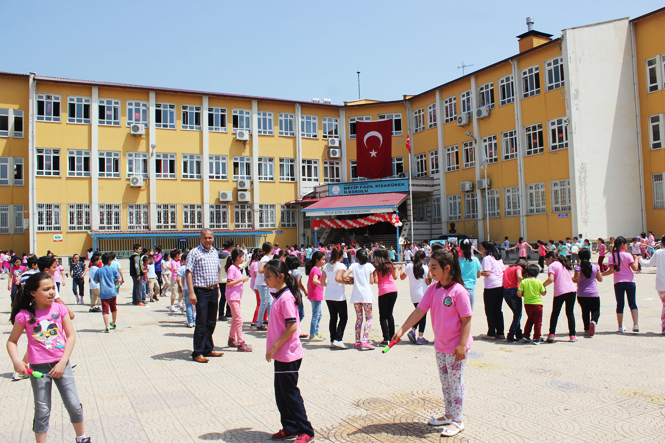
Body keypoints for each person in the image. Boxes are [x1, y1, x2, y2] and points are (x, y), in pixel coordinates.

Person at [392, 249, 472, 438]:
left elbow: (467, 320)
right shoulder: (433, 289)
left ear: (447, 268)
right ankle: (449, 414)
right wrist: (402, 329)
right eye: (430, 267)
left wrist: (461, 345)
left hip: (456, 349)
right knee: (446, 384)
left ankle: (458, 421)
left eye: (434, 267)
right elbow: (419, 312)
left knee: (456, 384)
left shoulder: (459, 292)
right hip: (440, 347)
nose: (430, 272)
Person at [7, 273, 91, 443]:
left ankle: (81, 438)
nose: (52, 292)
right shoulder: (24, 315)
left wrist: (62, 362)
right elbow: (12, 341)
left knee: (73, 404)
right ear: (32, 293)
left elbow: (71, 336)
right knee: (43, 409)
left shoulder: (60, 309)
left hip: (61, 364)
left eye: (53, 288)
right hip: (38, 368)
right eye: (46, 289)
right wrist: (17, 360)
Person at [263, 260, 315, 443]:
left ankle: (305, 430)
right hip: (281, 355)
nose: (265, 279)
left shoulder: (285, 298)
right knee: (281, 393)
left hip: (289, 354)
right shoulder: (279, 295)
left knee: (290, 394)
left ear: (281, 276)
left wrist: (275, 346)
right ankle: (290, 426)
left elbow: (292, 326)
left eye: (268, 276)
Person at [186, 229, 224, 363]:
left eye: (210, 237)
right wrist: (191, 292)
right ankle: (198, 352)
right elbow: (188, 272)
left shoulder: (214, 251)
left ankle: (208, 348)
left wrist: (217, 286)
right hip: (201, 291)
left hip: (213, 290)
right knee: (201, 323)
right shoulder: (194, 253)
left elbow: (218, 268)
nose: (208, 240)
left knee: (211, 322)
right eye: (205, 237)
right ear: (200, 238)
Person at [603, 236, 639, 333]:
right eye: (627, 244)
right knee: (632, 303)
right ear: (623, 244)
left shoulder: (612, 256)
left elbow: (611, 270)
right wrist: (636, 259)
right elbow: (635, 268)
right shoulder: (628, 255)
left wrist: (601, 274)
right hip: (630, 281)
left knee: (620, 304)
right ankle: (635, 324)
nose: (627, 246)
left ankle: (620, 326)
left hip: (618, 282)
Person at [343, 249, 376, 350]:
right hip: (366, 295)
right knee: (369, 318)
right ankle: (365, 340)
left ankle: (357, 341)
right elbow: (372, 281)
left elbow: (344, 276)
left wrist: (351, 279)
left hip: (356, 295)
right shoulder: (370, 266)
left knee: (359, 318)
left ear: (356, 258)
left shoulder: (353, 266)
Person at [543, 251, 577, 342]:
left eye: (546, 260)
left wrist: (542, 285)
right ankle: (572, 335)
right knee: (570, 313)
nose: (546, 263)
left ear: (550, 258)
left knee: (555, 313)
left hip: (560, 291)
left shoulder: (552, 265)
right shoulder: (564, 263)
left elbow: (551, 279)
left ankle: (552, 334)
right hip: (571, 290)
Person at [225, 248, 252, 352]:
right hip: (233, 297)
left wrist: (242, 281)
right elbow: (229, 283)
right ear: (237, 257)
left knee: (235, 319)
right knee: (239, 319)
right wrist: (241, 279)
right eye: (242, 257)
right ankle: (241, 342)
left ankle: (231, 338)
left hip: (236, 296)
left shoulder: (236, 268)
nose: (243, 259)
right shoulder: (232, 268)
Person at [373, 248, 402, 346]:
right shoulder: (390, 263)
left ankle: (386, 339)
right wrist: (397, 269)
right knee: (390, 314)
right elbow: (395, 277)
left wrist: (373, 274)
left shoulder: (377, 266)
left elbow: (376, 280)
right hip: (393, 290)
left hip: (383, 291)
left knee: (383, 316)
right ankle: (392, 337)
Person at [322, 246, 350, 349]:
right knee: (343, 317)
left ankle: (332, 339)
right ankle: (338, 339)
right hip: (338, 295)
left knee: (333, 318)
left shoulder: (327, 266)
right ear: (342, 256)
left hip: (328, 294)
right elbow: (338, 278)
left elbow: (322, 282)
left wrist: (330, 285)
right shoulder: (341, 265)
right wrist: (348, 282)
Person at [400, 250, 430, 344]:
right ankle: (420, 336)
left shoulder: (409, 267)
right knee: (422, 315)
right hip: (423, 294)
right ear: (424, 259)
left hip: (413, 295)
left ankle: (413, 330)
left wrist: (402, 268)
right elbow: (428, 282)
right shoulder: (425, 268)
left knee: (418, 313)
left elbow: (402, 277)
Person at [572, 248, 602, 336]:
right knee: (596, 310)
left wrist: (569, 278)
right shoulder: (595, 267)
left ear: (579, 257)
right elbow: (600, 279)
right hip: (593, 292)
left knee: (585, 311)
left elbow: (576, 280)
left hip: (581, 293)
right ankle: (593, 321)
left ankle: (586, 328)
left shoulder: (578, 268)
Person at [639, 235, 665, 335]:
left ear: (661, 243)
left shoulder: (658, 253)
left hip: (660, 284)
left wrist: (640, 259)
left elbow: (648, 264)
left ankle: (664, 327)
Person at [480, 242, 505, 340]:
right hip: (500, 285)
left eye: (482, 248)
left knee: (490, 310)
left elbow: (487, 273)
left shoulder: (487, 258)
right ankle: (500, 332)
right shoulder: (499, 258)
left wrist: (477, 272)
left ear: (486, 249)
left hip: (491, 286)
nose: (481, 250)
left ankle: (491, 333)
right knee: (498, 310)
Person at [517, 264, 547, 344]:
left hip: (527, 304)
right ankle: (537, 338)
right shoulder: (538, 282)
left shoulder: (524, 281)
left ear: (527, 273)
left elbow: (519, 293)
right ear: (537, 273)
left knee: (530, 319)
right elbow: (543, 293)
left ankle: (526, 335)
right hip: (537, 304)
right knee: (538, 322)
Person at [93, 252, 122, 333]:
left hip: (103, 292)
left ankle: (107, 327)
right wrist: (114, 282)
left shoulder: (99, 271)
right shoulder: (113, 270)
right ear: (109, 261)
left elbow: (95, 281)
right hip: (112, 292)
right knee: (114, 308)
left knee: (105, 310)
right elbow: (118, 279)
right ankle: (114, 322)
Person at [503, 259, 528, 341]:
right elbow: (519, 277)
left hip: (505, 291)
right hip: (514, 291)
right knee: (518, 315)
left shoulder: (508, 268)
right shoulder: (518, 268)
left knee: (516, 314)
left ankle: (519, 333)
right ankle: (511, 334)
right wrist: (525, 284)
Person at [305, 251, 325, 341]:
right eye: (323, 260)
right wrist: (324, 284)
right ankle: (313, 335)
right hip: (315, 294)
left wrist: (308, 292)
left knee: (319, 314)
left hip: (314, 294)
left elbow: (308, 283)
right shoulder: (316, 269)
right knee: (316, 315)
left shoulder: (314, 268)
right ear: (317, 260)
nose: (324, 261)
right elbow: (314, 280)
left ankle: (316, 333)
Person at [255, 242, 275, 331]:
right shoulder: (266, 258)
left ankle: (272, 322)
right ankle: (259, 323)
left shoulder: (263, 258)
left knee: (270, 302)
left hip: (262, 283)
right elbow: (260, 270)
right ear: (270, 250)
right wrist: (269, 272)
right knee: (264, 303)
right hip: (263, 284)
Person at [458, 239, 481, 310]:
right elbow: (478, 275)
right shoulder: (475, 260)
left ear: (460, 248)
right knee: (468, 314)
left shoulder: (457, 261)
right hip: (470, 289)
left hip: (459, 289)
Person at [217, 240, 235, 321]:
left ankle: (224, 312)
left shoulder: (218, 254)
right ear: (231, 247)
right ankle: (223, 314)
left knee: (223, 297)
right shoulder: (229, 255)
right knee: (227, 296)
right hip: (227, 278)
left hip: (219, 278)